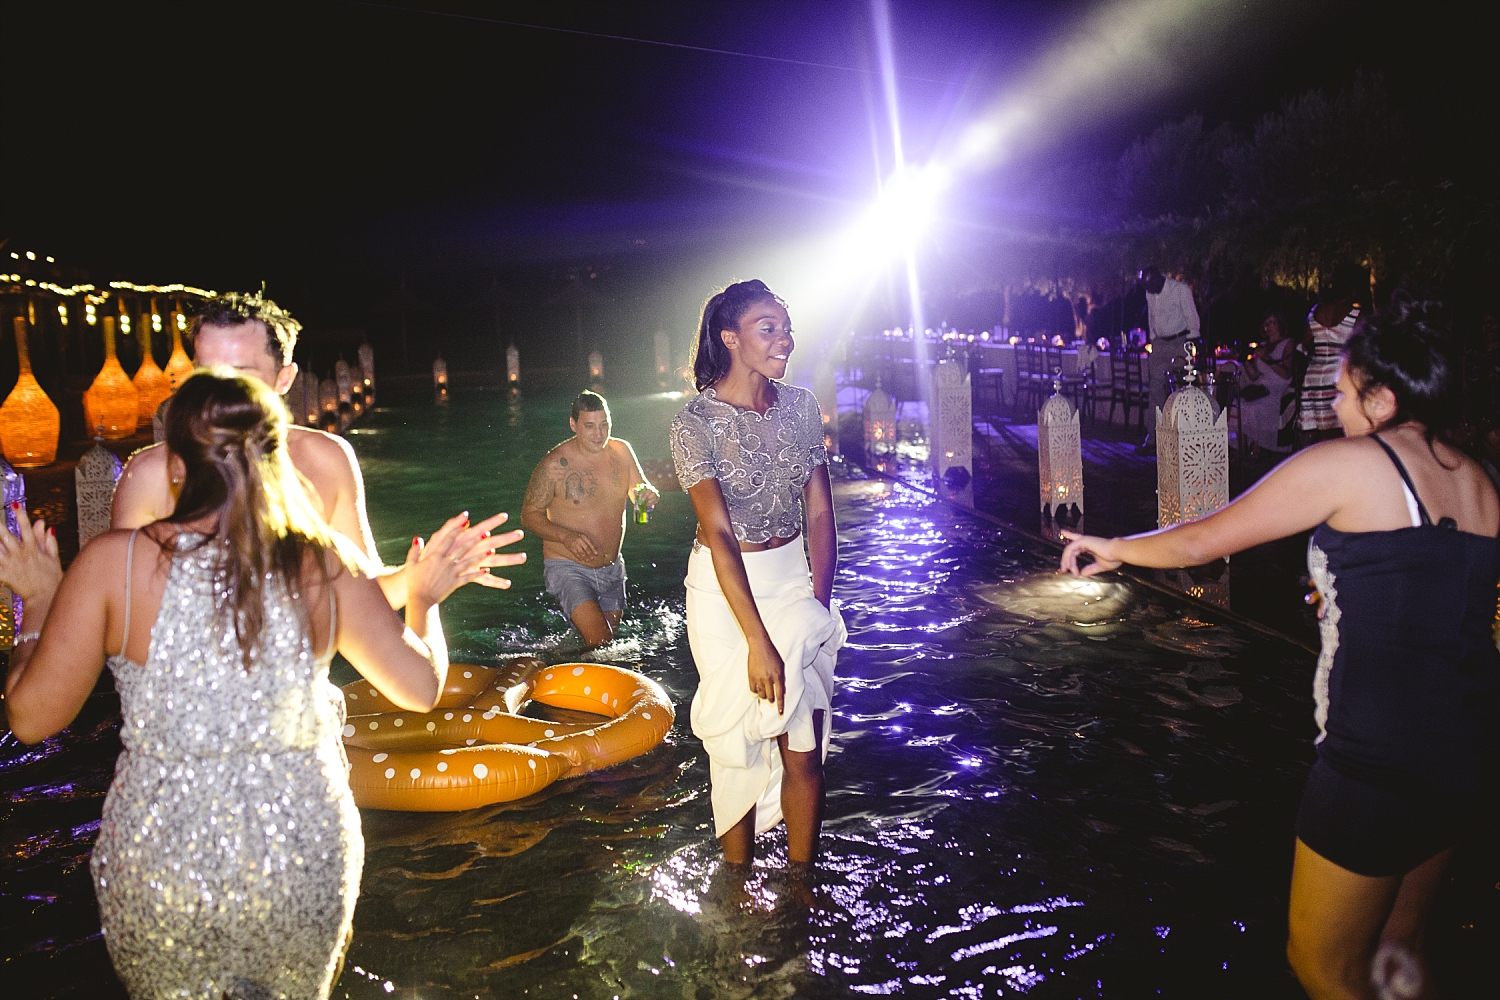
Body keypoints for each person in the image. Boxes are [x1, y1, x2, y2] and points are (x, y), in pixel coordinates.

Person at [1058, 294, 1498, 1000]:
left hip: (1378, 760)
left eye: (1345, 390)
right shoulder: (1476, 478)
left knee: (1322, 966)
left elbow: (1205, 536)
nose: (1332, 403)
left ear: (1382, 399)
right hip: (1465, 749)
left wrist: (1113, 547)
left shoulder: (1355, 464)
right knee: (1397, 954)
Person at [1, 371, 479, 998]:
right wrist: (422, 598)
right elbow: (419, 687)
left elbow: (31, 718)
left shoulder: (112, 564)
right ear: (277, 460)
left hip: (166, 854)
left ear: (175, 464)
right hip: (300, 851)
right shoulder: (324, 560)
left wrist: (36, 603)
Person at [112, 290, 525, 608]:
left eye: (240, 373)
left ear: (285, 378)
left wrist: (420, 579)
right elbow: (120, 609)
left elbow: (362, 594)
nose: (220, 391)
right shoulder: (150, 475)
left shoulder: (327, 458)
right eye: (208, 372)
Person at [669, 279, 846, 877]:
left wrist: (815, 609)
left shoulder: (799, 407)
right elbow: (717, 534)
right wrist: (757, 639)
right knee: (735, 747)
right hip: (725, 597)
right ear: (731, 338)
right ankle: (738, 890)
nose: (785, 340)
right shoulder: (694, 421)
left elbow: (821, 514)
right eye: (768, 328)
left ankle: (801, 888)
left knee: (804, 746)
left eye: (786, 327)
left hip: (794, 581)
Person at [520, 390, 658, 646]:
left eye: (605, 425)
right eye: (590, 426)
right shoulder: (554, 465)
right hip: (568, 567)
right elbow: (528, 516)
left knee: (599, 645)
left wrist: (645, 501)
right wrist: (567, 536)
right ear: (574, 425)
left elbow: (639, 506)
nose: (599, 434)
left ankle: (559, 660)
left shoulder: (622, 451)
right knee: (601, 641)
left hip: (612, 568)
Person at [1298, 264, 1366, 442]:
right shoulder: (1356, 314)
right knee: (1338, 430)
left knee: (1321, 431)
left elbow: (1305, 343)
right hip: (1337, 375)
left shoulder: (1316, 311)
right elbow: (1362, 347)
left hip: (1314, 375)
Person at [1137, 266, 1201, 453]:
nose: (1149, 290)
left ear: (1159, 278)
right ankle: (1153, 439)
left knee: (1180, 391)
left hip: (1179, 342)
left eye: (1151, 285)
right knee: (1156, 390)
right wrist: (1152, 339)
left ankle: (1183, 438)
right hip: (1160, 344)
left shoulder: (1180, 290)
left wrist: (1190, 347)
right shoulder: (1150, 292)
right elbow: (1151, 316)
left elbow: (1192, 318)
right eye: (1146, 287)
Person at [1239, 310, 1298, 455]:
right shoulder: (1263, 345)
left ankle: (1256, 449)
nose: (1268, 327)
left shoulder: (1287, 343)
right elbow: (1254, 376)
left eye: (1272, 323)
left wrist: (1267, 359)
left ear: (1280, 324)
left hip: (1278, 386)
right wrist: (1245, 360)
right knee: (1241, 405)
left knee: (1253, 408)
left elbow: (1286, 373)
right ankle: (1242, 451)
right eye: (1266, 324)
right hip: (1261, 386)